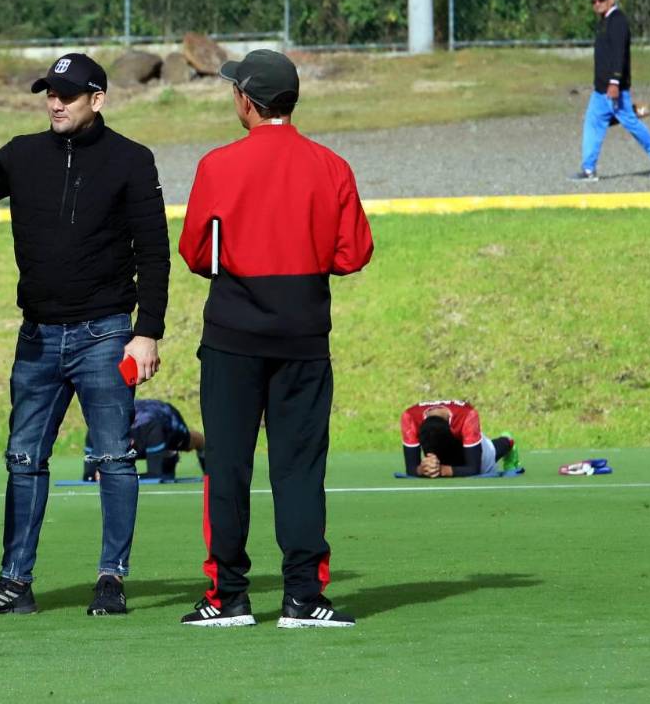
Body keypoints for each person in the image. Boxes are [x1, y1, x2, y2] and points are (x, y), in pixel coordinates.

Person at [0, 53, 170, 618]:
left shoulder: (131, 160)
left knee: (114, 458)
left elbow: (154, 252)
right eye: (50, 92)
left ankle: (111, 579)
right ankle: (14, 584)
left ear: (97, 99)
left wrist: (147, 333)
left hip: (106, 334)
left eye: (68, 95)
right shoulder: (22, 153)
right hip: (38, 338)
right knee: (23, 458)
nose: (55, 102)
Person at [176, 49, 373, 628]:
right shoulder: (331, 166)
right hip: (304, 338)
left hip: (232, 337)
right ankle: (304, 597)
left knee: (229, 466)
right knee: (300, 469)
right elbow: (353, 253)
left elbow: (194, 253)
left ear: (246, 100)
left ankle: (228, 596)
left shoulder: (218, 165)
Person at [570, 0, 650, 182]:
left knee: (632, 124)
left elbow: (619, 54)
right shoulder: (605, 21)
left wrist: (614, 82)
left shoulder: (618, 21)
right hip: (600, 90)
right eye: (594, 0)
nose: (597, 4)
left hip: (613, 89)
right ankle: (588, 169)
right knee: (593, 123)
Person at [81, 399, 205, 481]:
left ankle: (193, 448)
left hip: (167, 419)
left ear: (130, 442)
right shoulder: (94, 432)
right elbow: (88, 476)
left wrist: (118, 477)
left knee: (188, 443)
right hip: (141, 421)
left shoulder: (152, 430)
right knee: (165, 470)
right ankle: (167, 458)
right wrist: (96, 474)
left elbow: (155, 475)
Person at [400, 400, 517, 478]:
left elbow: (473, 469)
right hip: (449, 445)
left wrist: (441, 470)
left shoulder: (468, 415)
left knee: (490, 453)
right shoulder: (410, 417)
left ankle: (508, 440)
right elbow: (410, 468)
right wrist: (422, 469)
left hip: (468, 448)